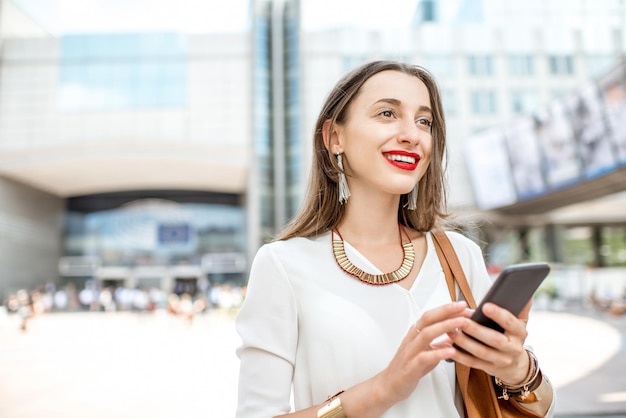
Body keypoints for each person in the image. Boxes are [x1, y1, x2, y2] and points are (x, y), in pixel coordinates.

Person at [235, 60, 555, 418]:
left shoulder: (459, 255)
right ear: (334, 137)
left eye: (424, 121)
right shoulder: (283, 264)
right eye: (387, 113)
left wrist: (516, 370)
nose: (412, 135)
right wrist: (384, 388)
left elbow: (541, 409)